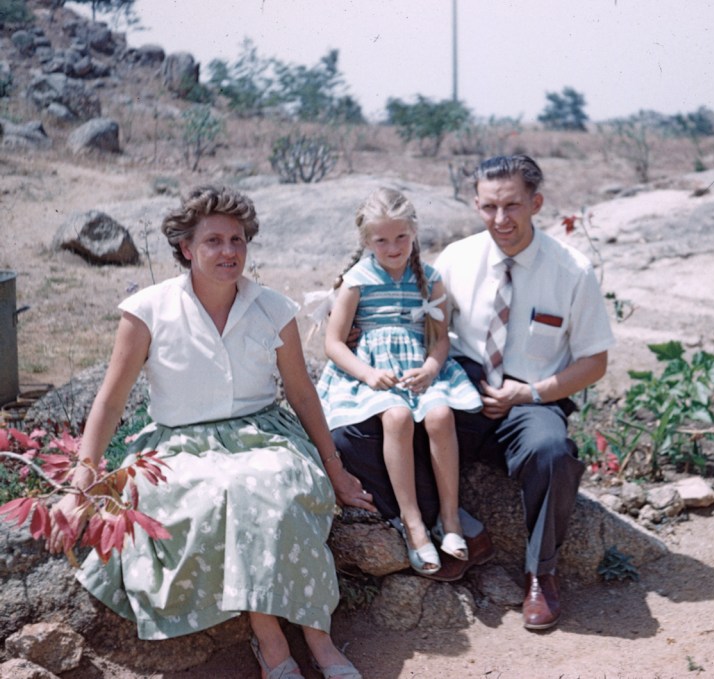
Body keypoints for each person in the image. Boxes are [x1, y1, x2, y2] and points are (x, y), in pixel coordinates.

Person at [47, 186, 370, 679]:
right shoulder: (147, 310)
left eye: (237, 240)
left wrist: (336, 470)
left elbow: (303, 396)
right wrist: (79, 487)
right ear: (186, 249)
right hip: (180, 445)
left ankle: (318, 639)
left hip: (266, 436)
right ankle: (273, 645)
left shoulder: (272, 308)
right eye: (214, 241)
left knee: (274, 488)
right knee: (228, 493)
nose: (229, 252)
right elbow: (110, 401)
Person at [335, 155, 615, 630]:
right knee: (352, 439)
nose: (500, 220)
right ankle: (459, 528)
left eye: (512, 206)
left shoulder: (573, 270)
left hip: (530, 397)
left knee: (552, 451)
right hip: (460, 387)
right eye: (489, 207)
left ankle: (540, 574)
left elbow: (595, 361)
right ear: (476, 205)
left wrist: (531, 394)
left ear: (536, 203)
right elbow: (423, 326)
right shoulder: (456, 259)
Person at [315, 187, 482, 576]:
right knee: (396, 417)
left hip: (416, 371)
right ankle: (413, 524)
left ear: (414, 233)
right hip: (373, 373)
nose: (393, 247)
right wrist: (368, 373)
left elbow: (441, 339)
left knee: (440, 416)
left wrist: (430, 368)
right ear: (366, 240)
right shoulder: (357, 281)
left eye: (401, 237)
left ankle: (450, 519)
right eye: (382, 240)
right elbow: (333, 343)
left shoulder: (430, 279)